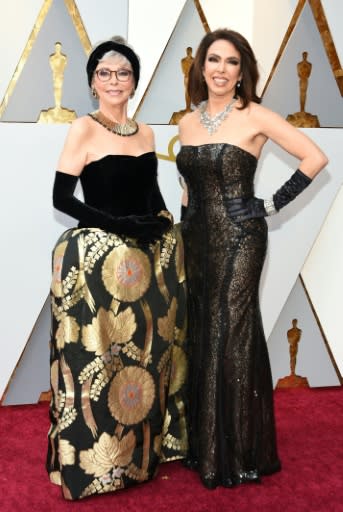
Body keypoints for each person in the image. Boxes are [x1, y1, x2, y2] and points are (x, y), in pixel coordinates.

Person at [176, 28, 328, 489]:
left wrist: (269, 204)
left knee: (231, 328)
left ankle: (239, 449)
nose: (221, 70)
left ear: (243, 72)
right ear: (201, 67)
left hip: (242, 237)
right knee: (203, 326)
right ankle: (206, 443)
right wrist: (182, 237)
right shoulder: (187, 121)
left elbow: (314, 156)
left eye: (232, 62)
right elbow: (186, 188)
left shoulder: (256, 115)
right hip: (197, 238)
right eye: (214, 60)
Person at [47, 36, 188, 500]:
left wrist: (161, 220)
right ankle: (93, 466)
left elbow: (150, 194)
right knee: (97, 362)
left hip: (142, 263)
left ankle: (136, 459)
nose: (114, 80)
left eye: (122, 73)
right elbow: (62, 199)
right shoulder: (83, 130)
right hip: (98, 264)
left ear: (133, 82)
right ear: (92, 82)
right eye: (104, 73)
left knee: (142, 359)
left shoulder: (146, 133)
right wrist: (115, 225)